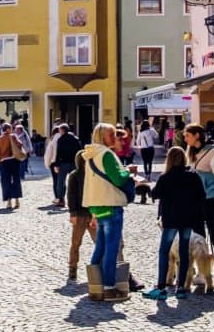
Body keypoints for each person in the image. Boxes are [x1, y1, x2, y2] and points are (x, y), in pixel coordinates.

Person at [144, 146, 207, 300]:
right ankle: (181, 288)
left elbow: (155, 194)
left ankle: (161, 288)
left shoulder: (166, 177)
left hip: (171, 220)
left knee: (164, 251)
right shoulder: (193, 176)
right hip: (187, 220)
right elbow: (202, 196)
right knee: (184, 252)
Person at [82, 123, 135, 302]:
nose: (115, 139)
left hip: (96, 205)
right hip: (111, 204)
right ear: (102, 137)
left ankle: (95, 286)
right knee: (112, 248)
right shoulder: (106, 154)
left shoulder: (90, 155)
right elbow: (118, 179)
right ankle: (109, 288)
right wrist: (128, 172)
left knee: (100, 247)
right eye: (111, 135)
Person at [184, 123, 214, 290]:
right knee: (199, 239)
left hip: (211, 200)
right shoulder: (192, 153)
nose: (185, 138)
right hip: (195, 201)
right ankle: (203, 273)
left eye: (187, 135)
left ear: (197, 135)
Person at [65, 149, 99, 284]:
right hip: (79, 214)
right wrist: (72, 213)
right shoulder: (74, 175)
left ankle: (98, 267)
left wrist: (96, 214)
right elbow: (71, 195)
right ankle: (72, 268)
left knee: (99, 243)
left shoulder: (94, 175)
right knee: (75, 243)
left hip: (92, 214)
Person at [46, 123, 82, 208]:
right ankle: (76, 199)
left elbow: (58, 153)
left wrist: (56, 164)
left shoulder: (61, 140)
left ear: (62, 130)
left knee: (61, 182)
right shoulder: (75, 139)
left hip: (63, 163)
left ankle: (61, 200)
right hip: (74, 163)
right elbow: (79, 151)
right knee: (75, 182)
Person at [0, 122, 25, 209]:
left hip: (3, 162)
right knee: (16, 180)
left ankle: (8, 202)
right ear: (8, 129)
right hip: (13, 160)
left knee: (5, 181)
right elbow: (20, 144)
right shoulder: (13, 136)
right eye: (11, 128)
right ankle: (17, 201)